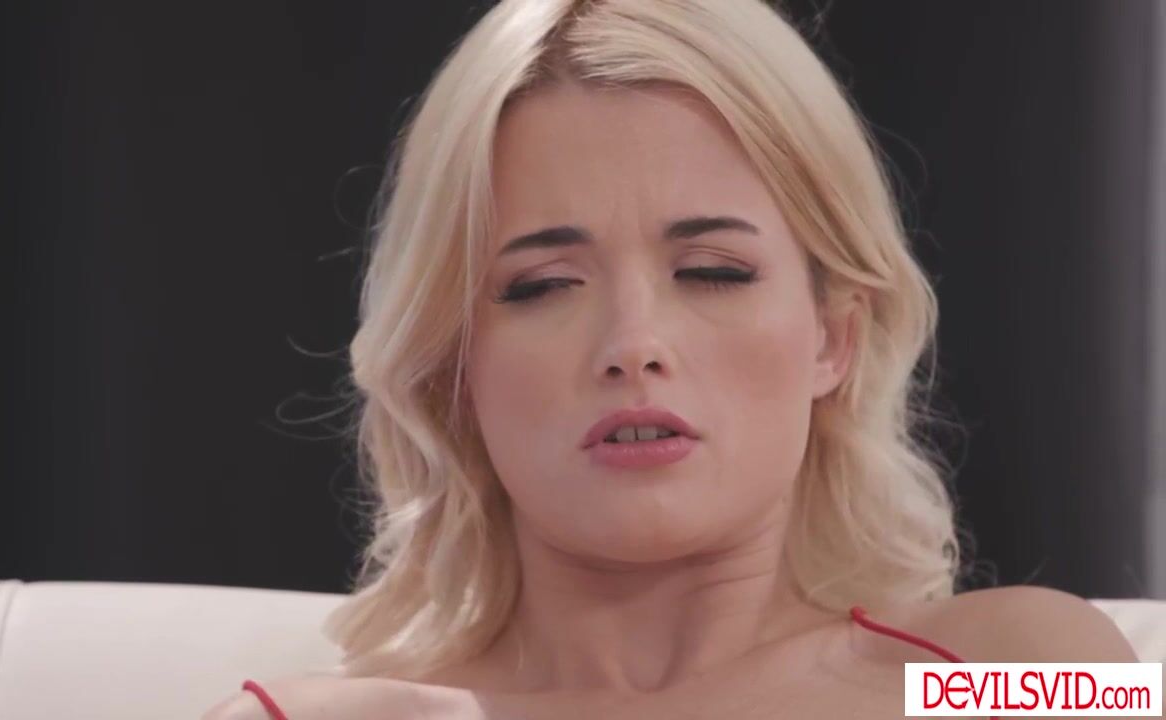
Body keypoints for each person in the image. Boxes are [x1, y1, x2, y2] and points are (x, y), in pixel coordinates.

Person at [204, 0, 1140, 717]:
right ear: (450, 363)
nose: (633, 346)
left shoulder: (1015, 667)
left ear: (834, 336)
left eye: (712, 271)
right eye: (541, 285)